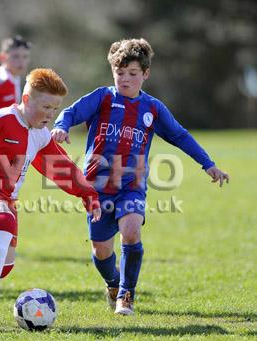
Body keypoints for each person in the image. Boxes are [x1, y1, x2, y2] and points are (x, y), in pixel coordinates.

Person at [51, 38, 229, 315]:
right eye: (119, 73)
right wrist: (61, 127)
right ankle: (113, 283)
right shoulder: (103, 97)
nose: (125, 79)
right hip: (97, 186)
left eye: (132, 74)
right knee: (101, 251)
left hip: (131, 186)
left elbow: (179, 135)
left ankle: (126, 295)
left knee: (131, 232)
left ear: (145, 74)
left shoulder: (153, 108)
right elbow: (71, 113)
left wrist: (208, 164)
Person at [0, 68, 102, 325]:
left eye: (54, 109)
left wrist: (88, 193)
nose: (49, 114)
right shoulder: (2, 119)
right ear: (26, 100)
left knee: (4, 265)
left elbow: (62, 168)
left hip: (5, 197)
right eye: (45, 106)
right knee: (3, 219)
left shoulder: (40, 134)